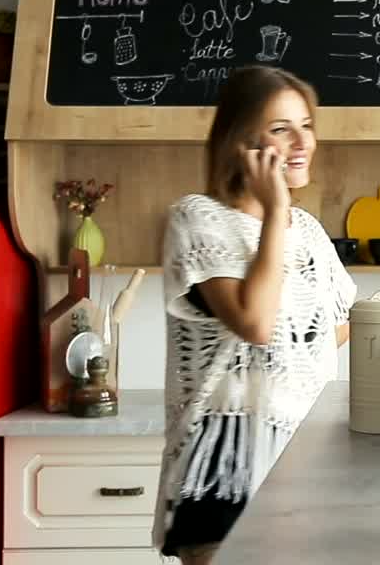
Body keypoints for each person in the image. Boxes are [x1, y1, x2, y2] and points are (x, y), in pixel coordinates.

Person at [153, 65, 357, 565]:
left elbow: (329, 332)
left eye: (306, 125)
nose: (302, 142)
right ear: (240, 142)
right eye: (281, 128)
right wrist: (276, 212)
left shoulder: (309, 231)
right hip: (225, 461)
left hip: (300, 452)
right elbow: (257, 324)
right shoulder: (197, 218)